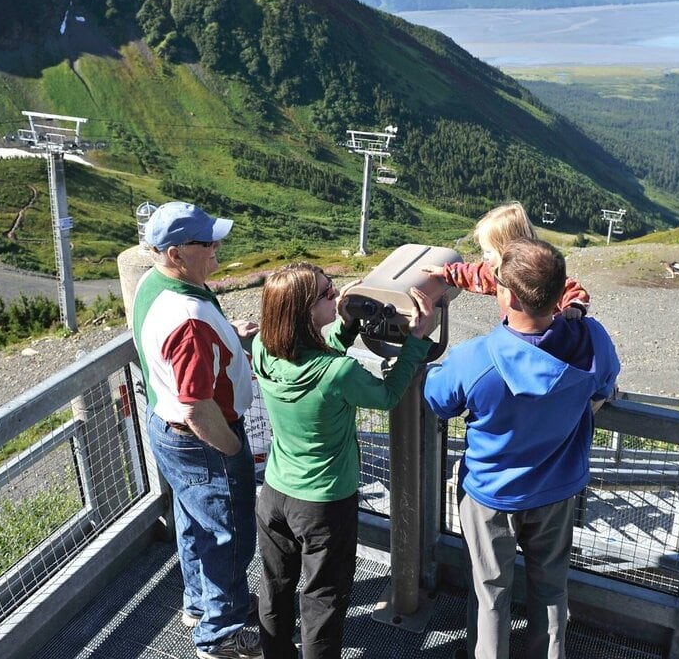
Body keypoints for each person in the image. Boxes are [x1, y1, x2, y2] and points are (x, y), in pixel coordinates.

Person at [423, 239, 620, 659]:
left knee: (491, 590)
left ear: (508, 295)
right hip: (559, 488)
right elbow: (604, 386)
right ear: (558, 292)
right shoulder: (593, 340)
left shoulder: (477, 359)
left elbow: (438, 399)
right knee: (551, 587)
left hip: (492, 493)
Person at [251, 263, 435, 659]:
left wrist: (348, 324)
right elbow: (387, 396)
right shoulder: (339, 372)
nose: (337, 297)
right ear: (304, 310)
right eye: (328, 294)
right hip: (323, 504)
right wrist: (418, 339)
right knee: (322, 602)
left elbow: (315, 354)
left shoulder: (263, 350)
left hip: (275, 494)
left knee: (276, 589)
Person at [131, 201, 261, 659]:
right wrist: (230, 448)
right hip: (204, 438)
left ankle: (200, 604)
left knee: (194, 521)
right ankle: (220, 635)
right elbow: (196, 406)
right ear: (174, 253)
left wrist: (226, 334)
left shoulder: (156, 284)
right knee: (229, 535)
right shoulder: (188, 319)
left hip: (166, 428)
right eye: (206, 242)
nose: (217, 247)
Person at [423, 202, 589, 318]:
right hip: (514, 333)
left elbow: (569, 287)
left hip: (547, 336)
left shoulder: (540, 273)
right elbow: (475, 274)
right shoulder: (496, 271)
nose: (484, 256)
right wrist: (446, 272)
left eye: (488, 251)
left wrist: (573, 307)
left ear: (506, 250)